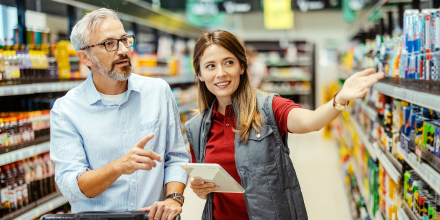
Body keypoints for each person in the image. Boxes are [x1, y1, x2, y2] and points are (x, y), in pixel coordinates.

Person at [185, 30, 384, 220]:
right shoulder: (197, 127)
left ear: (242, 67)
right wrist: (201, 189)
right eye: (210, 66)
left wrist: (339, 99)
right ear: (200, 74)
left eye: (228, 62)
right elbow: (208, 191)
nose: (221, 73)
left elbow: (310, 121)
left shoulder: (267, 107)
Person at [50, 8, 190, 220]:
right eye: (109, 44)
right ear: (85, 57)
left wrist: (174, 198)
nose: (123, 49)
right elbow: (71, 187)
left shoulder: (158, 92)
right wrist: (118, 166)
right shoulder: (66, 110)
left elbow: (176, 157)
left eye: (124, 40)